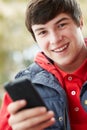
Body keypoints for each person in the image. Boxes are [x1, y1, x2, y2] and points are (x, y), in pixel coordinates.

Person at [0, 0, 87, 129]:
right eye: (42, 32)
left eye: (61, 25)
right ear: (35, 38)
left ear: (80, 22)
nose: (55, 39)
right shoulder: (22, 90)